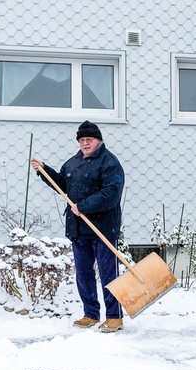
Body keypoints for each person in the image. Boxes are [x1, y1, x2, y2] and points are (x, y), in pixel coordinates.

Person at [30, 120, 126, 333]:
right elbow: (62, 185)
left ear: (98, 140)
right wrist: (45, 171)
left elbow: (112, 192)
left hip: (103, 227)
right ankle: (91, 313)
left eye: (89, 139)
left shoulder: (109, 163)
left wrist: (84, 206)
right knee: (83, 273)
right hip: (78, 228)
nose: (85, 143)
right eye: (82, 140)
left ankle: (114, 316)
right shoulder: (73, 163)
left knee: (108, 273)